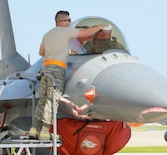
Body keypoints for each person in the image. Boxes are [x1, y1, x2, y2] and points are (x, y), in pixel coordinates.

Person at [30, 11, 109, 140]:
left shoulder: (47, 34)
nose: (70, 22)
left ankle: (33, 129)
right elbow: (85, 33)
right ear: (62, 22)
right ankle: (44, 132)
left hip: (45, 68)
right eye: (68, 20)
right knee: (53, 99)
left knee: (43, 99)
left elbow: (41, 52)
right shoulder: (66, 31)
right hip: (57, 68)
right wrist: (100, 26)